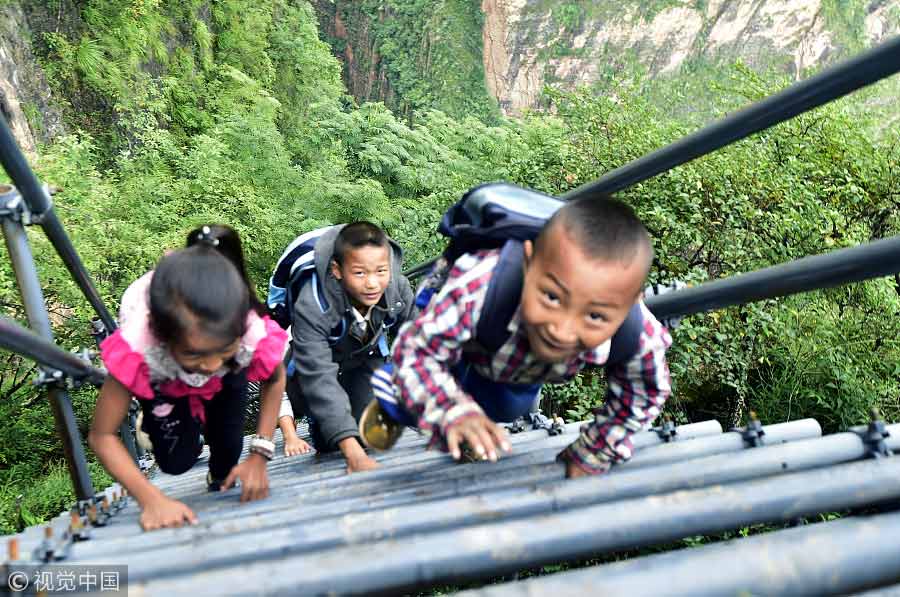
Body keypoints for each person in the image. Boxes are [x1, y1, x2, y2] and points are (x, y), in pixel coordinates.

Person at [364, 196, 672, 478]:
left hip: (513, 364)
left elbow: (644, 391)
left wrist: (595, 450)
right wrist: (453, 411)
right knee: (412, 395)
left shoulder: (637, 332)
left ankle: (473, 423)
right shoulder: (479, 285)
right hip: (459, 342)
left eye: (595, 316)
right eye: (552, 297)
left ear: (632, 302)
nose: (561, 330)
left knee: (508, 408)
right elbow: (418, 352)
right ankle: (393, 406)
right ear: (528, 262)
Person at [89, 225, 288, 531]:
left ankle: (216, 462)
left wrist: (260, 454)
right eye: (196, 354)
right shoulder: (140, 346)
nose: (209, 366)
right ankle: (171, 426)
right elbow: (102, 436)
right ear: (164, 338)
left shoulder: (248, 329)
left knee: (228, 455)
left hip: (231, 373)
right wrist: (151, 499)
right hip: (164, 378)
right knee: (175, 462)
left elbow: (274, 379)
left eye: (221, 350)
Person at [285, 222, 415, 473]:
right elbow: (319, 377)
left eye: (380, 271)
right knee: (334, 441)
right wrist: (352, 454)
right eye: (359, 273)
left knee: (370, 435)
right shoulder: (313, 304)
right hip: (315, 367)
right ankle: (319, 422)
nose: (372, 284)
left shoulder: (397, 289)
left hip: (365, 356)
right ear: (337, 270)